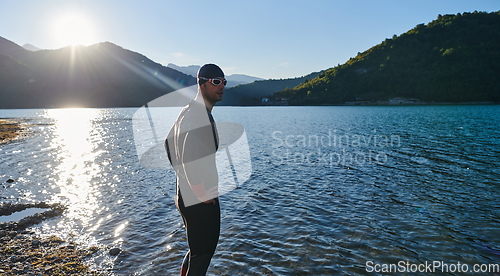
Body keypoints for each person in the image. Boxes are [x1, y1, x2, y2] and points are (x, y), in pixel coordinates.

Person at [164, 64, 226, 275]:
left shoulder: (188, 111)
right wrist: (199, 190)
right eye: (215, 82)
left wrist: (182, 177)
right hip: (200, 202)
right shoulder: (200, 115)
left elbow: (168, 145)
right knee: (202, 256)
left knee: (196, 250)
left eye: (223, 82)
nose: (221, 86)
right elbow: (189, 153)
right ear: (201, 83)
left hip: (184, 197)